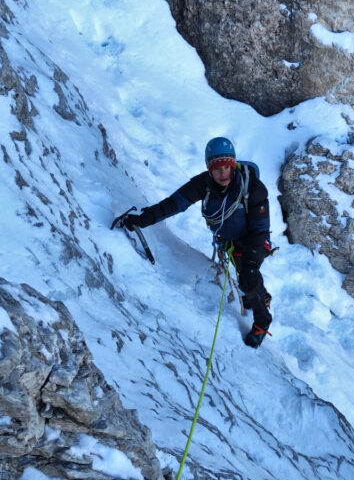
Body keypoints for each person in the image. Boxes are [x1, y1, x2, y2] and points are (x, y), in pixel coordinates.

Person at [115, 136, 273, 348]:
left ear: (233, 165)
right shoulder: (203, 184)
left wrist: (252, 265)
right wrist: (144, 219)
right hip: (229, 241)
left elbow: (260, 229)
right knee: (245, 276)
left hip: (253, 240)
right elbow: (174, 204)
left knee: (248, 278)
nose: (223, 173)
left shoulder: (253, 187)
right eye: (217, 169)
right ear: (209, 169)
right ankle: (260, 296)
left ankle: (263, 321)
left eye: (227, 167)